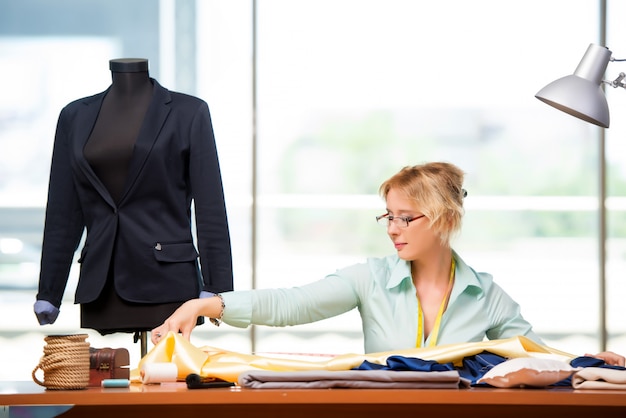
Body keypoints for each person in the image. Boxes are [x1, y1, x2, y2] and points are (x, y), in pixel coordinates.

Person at [151, 162, 624, 366]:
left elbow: (533, 356)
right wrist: (205, 304)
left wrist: (585, 361)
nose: (393, 228)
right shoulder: (370, 279)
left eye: (405, 218)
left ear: (442, 219)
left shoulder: (486, 294)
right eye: (388, 217)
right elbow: (292, 304)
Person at [34, 58, 233, 335]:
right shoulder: (74, 116)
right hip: (102, 284)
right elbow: (63, 212)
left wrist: (217, 290)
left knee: (166, 374)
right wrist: (49, 291)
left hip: (169, 284)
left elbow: (210, 206)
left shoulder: (188, 112)